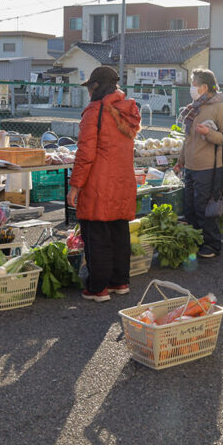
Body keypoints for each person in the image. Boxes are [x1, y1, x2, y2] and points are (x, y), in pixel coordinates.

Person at [66, 66, 141, 302]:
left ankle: (98, 288)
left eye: (90, 86)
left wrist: (75, 185)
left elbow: (85, 153)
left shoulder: (94, 112)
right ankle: (119, 282)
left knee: (96, 234)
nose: (88, 91)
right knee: (119, 231)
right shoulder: (128, 110)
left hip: (98, 182)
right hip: (123, 181)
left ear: (96, 86)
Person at [175, 68, 223, 259]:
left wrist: (209, 133)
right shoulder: (194, 108)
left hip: (209, 167)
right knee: (190, 206)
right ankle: (196, 242)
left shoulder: (220, 108)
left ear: (204, 87)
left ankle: (212, 245)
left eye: (193, 84)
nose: (191, 88)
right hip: (190, 166)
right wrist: (180, 161)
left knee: (204, 208)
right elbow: (187, 139)